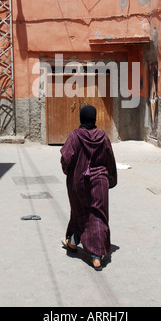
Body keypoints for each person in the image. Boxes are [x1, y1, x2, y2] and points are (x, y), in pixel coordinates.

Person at [60, 105, 117, 271]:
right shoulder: (103, 136)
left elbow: (66, 159)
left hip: (80, 181)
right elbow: (110, 160)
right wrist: (110, 179)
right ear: (94, 118)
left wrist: (68, 172)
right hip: (100, 181)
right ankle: (92, 253)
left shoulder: (75, 136)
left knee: (81, 212)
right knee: (98, 215)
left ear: (81, 118)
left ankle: (84, 248)